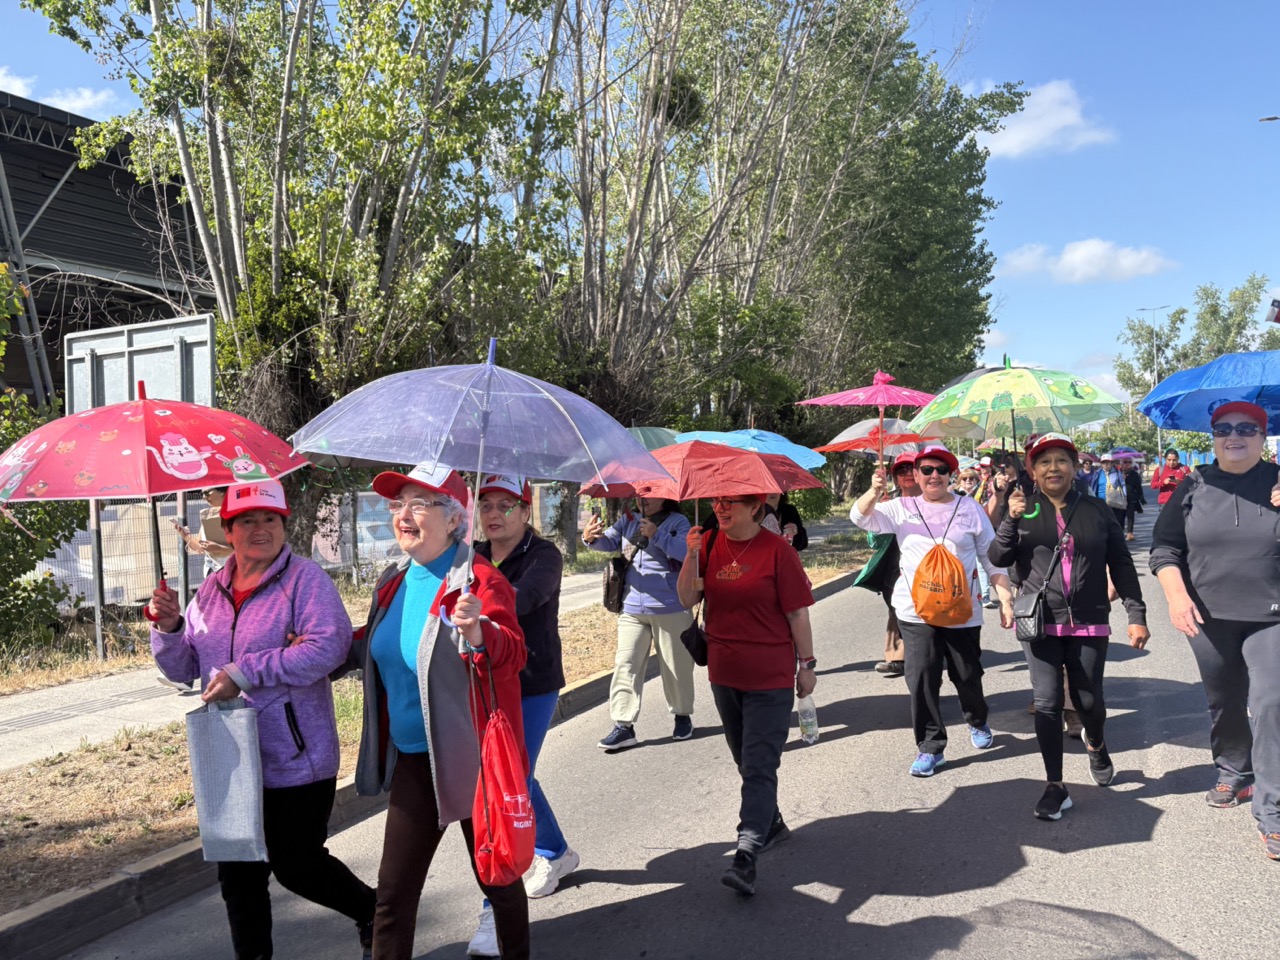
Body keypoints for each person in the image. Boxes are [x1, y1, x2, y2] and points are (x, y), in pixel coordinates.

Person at [147, 480, 376, 960]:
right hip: (228, 755)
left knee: (297, 864)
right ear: (227, 531)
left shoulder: (305, 580)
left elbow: (326, 649)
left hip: (295, 755)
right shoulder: (210, 591)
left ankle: (373, 911)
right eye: (247, 520)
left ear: (284, 525)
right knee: (238, 875)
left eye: (270, 519)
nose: (260, 529)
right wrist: (168, 628)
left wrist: (245, 672)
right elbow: (184, 668)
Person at [351, 464, 530, 959]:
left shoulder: (480, 580)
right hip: (415, 756)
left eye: (418, 503)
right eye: (396, 504)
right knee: (393, 895)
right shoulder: (393, 581)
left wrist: (479, 632)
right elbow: (378, 644)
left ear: (454, 519)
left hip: (472, 756)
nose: (403, 515)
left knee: (499, 878)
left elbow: (513, 653)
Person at [988, 434, 1150, 821]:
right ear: (1033, 471)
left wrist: (1136, 613)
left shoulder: (1095, 509)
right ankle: (1055, 786)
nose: (1053, 468)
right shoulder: (1022, 510)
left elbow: (1122, 563)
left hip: (1090, 618)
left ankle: (1096, 743)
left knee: (1088, 700)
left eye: (1061, 460)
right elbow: (998, 555)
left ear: (1075, 468)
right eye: (1043, 462)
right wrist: (1010, 519)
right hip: (1040, 622)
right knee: (1046, 702)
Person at [1149, 401, 1280, 862]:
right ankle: (1234, 770)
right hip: (1207, 617)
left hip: (1272, 617)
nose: (1235, 436)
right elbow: (1164, 548)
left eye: (1247, 428)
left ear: (1264, 436)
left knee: (1271, 702)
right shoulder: (1193, 485)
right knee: (1223, 699)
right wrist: (1175, 595)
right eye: (1223, 428)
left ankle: (1273, 810)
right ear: (1213, 437)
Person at [676, 493, 815, 897]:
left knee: (758, 764)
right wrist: (691, 555)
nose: (721, 508)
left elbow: (797, 614)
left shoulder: (777, 552)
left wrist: (807, 665)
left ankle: (747, 851)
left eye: (731, 502)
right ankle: (770, 822)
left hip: (770, 677)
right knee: (743, 757)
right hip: (724, 674)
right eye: (717, 501)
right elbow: (687, 599)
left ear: (755, 508)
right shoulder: (710, 544)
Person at [851, 447, 1014, 777]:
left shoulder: (969, 508)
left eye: (941, 469)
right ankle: (930, 746)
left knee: (966, 674)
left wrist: (1005, 596)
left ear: (951, 475)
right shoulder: (901, 508)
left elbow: (990, 555)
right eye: (926, 470)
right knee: (922, 677)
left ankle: (977, 719)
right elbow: (860, 518)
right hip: (914, 611)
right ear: (917, 474)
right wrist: (874, 490)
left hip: (962, 610)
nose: (933, 475)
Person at [473, 474, 579, 917]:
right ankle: (556, 848)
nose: (494, 514)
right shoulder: (470, 555)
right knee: (510, 773)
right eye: (486, 505)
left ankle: (544, 857)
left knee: (515, 773)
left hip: (532, 681)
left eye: (506, 505)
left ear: (525, 510)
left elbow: (522, 599)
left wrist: (477, 605)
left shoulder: (544, 555)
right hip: (483, 681)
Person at [583, 495, 695, 750]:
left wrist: (656, 535)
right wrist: (590, 538)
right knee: (626, 663)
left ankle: (681, 715)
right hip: (632, 607)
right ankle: (623, 725)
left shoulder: (678, 521)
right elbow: (608, 542)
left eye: (650, 494)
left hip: (670, 606)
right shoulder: (628, 520)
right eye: (640, 494)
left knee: (676, 665)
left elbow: (686, 552)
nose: (643, 499)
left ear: (665, 498)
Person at [852, 452, 919, 677]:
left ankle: (922, 657)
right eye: (901, 470)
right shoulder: (886, 502)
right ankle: (896, 657)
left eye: (912, 468)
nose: (907, 474)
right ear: (895, 477)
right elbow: (871, 538)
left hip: (927, 568)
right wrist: (876, 496)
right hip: (894, 565)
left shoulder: (934, 498)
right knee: (896, 608)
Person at [1121, 457, 1147, 540]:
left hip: (1131, 498)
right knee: (1120, 517)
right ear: (1122, 463)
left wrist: (1141, 498)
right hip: (1120, 498)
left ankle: (1130, 533)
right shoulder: (1118, 473)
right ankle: (1120, 533)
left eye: (1129, 462)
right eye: (1125, 462)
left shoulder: (1134, 474)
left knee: (1130, 516)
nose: (1127, 463)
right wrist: (1122, 478)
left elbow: (1138, 487)